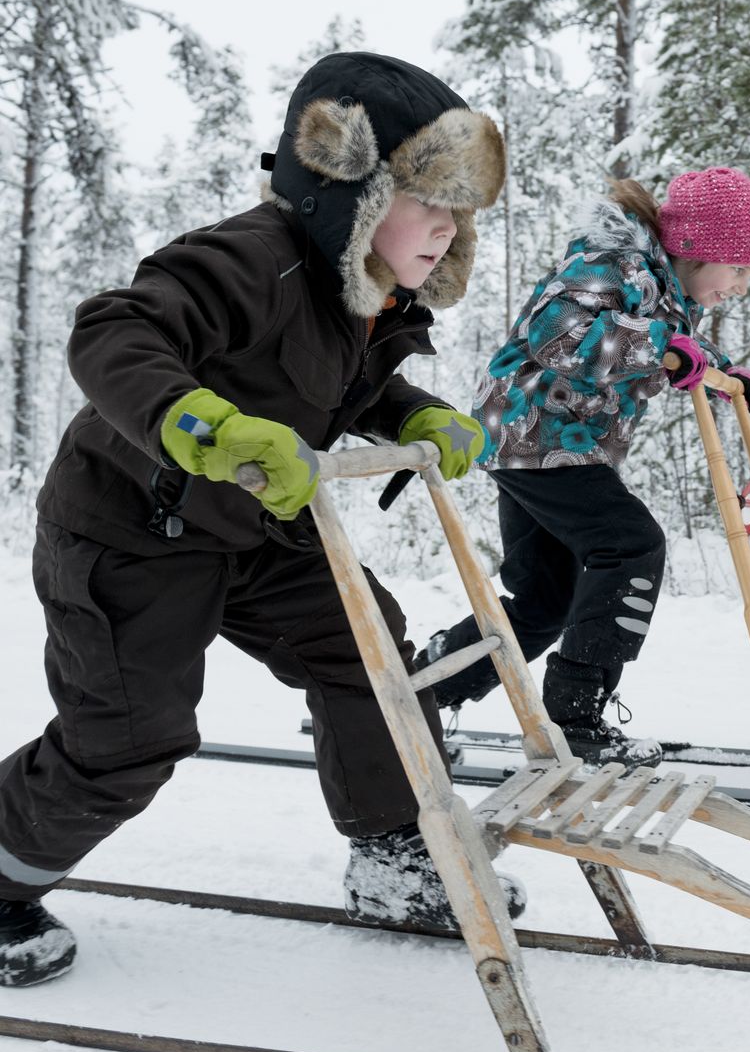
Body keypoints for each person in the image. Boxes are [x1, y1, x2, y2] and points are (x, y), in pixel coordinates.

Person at [0, 52, 518, 990]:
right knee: (127, 740)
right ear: (350, 190)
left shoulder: (366, 293)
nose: (446, 226)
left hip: (258, 526)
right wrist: (208, 427)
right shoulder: (255, 258)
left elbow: (335, 383)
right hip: (134, 526)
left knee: (373, 659)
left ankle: (393, 856)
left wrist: (409, 414)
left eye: (460, 209)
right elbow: (115, 331)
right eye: (424, 199)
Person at [413, 167, 750, 769]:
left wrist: (719, 371)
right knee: (631, 545)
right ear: (695, 249)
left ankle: (426, 687)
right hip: (541, 434)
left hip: (536, 443)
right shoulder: (612, 264)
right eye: (737, 269)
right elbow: (552, 333)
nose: (741, 286)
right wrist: (659, 347)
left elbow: (665, 342)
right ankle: (576, 714)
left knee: (544, 601)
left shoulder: (664, 290)